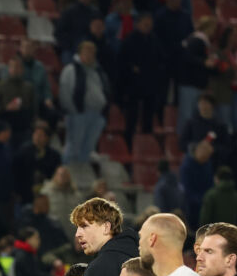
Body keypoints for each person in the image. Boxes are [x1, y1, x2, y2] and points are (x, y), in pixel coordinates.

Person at [118, 12, 165, 148]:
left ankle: (146, 147)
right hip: (133, 86)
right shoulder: (130, 40)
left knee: (148, 120)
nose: (148, 26)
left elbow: (161, 60)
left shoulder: (154, 40)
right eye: (145, 23)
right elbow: (123, 63)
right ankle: (128, 147)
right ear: (138, 24)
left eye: (150, 24)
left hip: (150, 86)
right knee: (131, 120)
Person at [59, 40, 109, 164]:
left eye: (92, 53)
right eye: (86, 52)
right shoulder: (70, 70)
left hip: (97, 115)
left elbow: (106, 89)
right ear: (80, 53)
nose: (89, 55)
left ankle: (82, 177)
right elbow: (65, 93)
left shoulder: (98, 70)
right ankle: (67, 176)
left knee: (88, 149)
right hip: (78, 114)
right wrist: (73, 112)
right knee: (73, 148)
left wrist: (104, 112)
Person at [0, 56, 36, 147]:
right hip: (5, 127)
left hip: (24, 128)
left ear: (22, 69)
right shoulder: (0, 86)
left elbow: (33, 110)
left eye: (18, 67)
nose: (15, 69)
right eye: (12, 67)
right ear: (9, 69)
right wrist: (6, 108)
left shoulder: (29, 87)